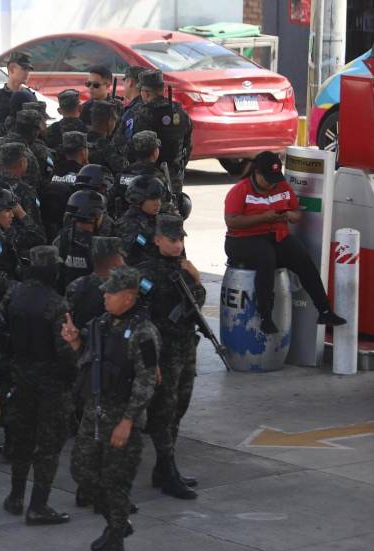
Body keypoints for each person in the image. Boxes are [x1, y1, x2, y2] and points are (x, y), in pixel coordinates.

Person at [63, 266, 159, 551]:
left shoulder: (144, 333)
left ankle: (116, 543)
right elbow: (91, 363)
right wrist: (75, 342)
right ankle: (116, 523)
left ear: (129, 297)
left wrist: (128, 421)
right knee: (82, 472)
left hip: (121, 417)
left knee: (115, 482)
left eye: (111, 292)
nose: (104, 295)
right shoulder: (102, 324)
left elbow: (147, 381)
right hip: (95, 413)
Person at [0, 246, 77, 525]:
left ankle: (16, 496)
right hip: (51, 383)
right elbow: (65, 351)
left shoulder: (14, 294)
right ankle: (38, 505)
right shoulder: (57, 304)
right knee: (48, 446)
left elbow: (0, 330)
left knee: (22, 440)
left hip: (21, 376)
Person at [223, 151, 345, 333]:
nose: (272, 183)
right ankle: (265, 316)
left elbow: (296, 212)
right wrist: (264, 217)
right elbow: (231, 221)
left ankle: (324, 310)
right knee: (266, 257)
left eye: (275, 178)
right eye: (268, 179)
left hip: (276, 234)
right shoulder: (240, 191)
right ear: (257, 173)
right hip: (242, 239)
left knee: (301, 256)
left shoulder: (282, 187)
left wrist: (290, 216)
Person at [136, 215, 204, 501]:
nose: (178, 245)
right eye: (172, 240)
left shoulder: (184, 268)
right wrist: (151, 361)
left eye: (181, 240)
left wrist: (196, 279)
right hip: (164, 351)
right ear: (157, 240)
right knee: (163, 411)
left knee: (179, 407)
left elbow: (197, 301)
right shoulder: (145, 274)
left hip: (185, 347)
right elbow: (140, 317)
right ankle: (167, 470)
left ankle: (165, 469)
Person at [132, 70, 192, 196]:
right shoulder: (180, 113)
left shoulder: (144, 114)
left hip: (151, 178)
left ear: (147, 93)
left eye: (141, 91)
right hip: (175, 176)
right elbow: (188, 145)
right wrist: (178, 167)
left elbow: (137, 147)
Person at [0, 52, 36, 127]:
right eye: (24, 69)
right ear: (11, 69)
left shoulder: (29, 96)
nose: (27, 73)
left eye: (28, 70)